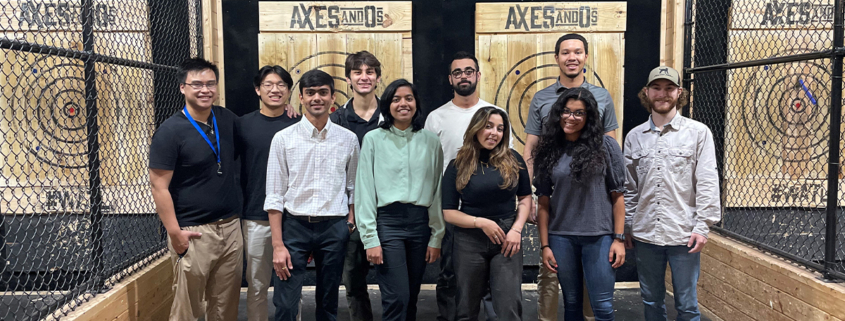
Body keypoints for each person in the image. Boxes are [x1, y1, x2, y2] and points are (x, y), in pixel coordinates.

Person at [522, 33, 620, 321]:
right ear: (557, 58)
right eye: (566, 52)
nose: (572, 57)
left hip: (593, 215)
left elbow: (610, 146)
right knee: (554, 286)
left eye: (578, 51)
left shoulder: (601, 97)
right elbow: (531, 147)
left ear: (586, 57)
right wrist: (529, 196)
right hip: (557, 210)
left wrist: (614, 224)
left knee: (595, 297)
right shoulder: (541, 98)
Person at [623, 66, 720, 321]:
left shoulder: (699, 133)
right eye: (656, 88)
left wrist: (703, 226)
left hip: (684, 235)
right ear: (647, 92)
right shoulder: (634, 137)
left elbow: (708, 181)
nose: (662, 94)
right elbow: (630, 188)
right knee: (651, 301)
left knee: (687, 305)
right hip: (645, 234)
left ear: (679, 92)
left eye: (669, 88)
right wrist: (629, 224)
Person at [149, 58, 242, 321]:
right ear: (182, 87)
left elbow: (258, 131)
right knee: (187, 308)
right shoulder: (170, 131)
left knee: (226, 306)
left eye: (211, 84)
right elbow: (159, 186)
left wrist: (286, 113)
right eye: (197, 84)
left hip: (231, 228)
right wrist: (175, 233)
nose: (205, 90)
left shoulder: (225, 119)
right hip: (194, 232)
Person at [264, 69, 360, 321]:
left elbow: (353, 187)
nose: (317, 97)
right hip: (294, 227)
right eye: (310, 93)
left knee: (328, 303)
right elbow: (274, 194)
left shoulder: (348, 140)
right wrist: (277, 245)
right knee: (285, 303)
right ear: (301, 98)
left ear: (332, 97)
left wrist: (349, 222)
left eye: (323, 92)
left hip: (334, 227)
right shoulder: (283, 139)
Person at [425, 51, 511, 321]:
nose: (464, 76)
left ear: (478, 75)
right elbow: (431, 168)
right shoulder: (436, 118)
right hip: (452, 211)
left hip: (491, 210)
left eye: (468, 71)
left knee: (492, 283)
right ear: (450, 79)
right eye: (457, 72)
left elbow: (506, 162)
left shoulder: (497, 114)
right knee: (451, 276)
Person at [355, 79, 445, 321]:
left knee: (412, 297)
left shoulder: (431, 141)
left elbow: (437, 189)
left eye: (408, 98)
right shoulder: (373, 139)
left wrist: (437, 235)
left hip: (420, 224)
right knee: (397, 298)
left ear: (416, 103)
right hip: (388, 224)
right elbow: (364, 190)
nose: (403, 103)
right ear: (387, 104)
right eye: (396, 99)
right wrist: (370, 237)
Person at [533, 87, 627, 321]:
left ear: (589, 117)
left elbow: (618, 196)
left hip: (600, 236)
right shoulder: (548, 149)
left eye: (579, 113)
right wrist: (545, 246)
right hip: (561, 237)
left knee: (603, 306)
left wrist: (619, 239)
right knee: (572, 304)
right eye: (566, 111)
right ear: (558, 113)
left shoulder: (606, 146)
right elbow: (543, 202)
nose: (570, 117)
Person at [442, 107, 532, 321]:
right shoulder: (458, 164)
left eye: (500, 129)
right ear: (476, 128)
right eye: (488, 126)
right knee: (466, 306)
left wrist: (517, 230)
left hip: (508, 238)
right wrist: (480, 222)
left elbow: (526, 199)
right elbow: (449, 212)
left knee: (509, 306)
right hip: (468, 239)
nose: (494, 133)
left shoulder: (514, 160)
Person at [236, 65, 300, 321]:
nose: (275, 90)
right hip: (256, 216)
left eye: (281, 85)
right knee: (257, 285)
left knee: (292, 286)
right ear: (257, 90)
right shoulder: (241, 125)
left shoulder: (300, 124)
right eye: (268, 85)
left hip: (295, 219)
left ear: (289, 91)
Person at [329, 51, 384, 321]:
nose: (364, 77)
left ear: (378, 77)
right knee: (353, 279)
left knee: (392, 279)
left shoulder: (393, 114)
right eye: (358, 72)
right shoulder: (337, 119)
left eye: (370, 71)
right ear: (349, 78)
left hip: (386, 210)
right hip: (350, 212)